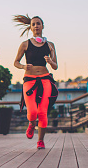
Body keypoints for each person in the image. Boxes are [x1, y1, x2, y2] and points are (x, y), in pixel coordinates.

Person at [13, 14, 58, 149]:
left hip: (45, 80)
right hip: (29, 80)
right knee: (32, 111)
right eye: (33, 24)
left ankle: (40, 141)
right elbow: (15, 62)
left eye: (38, 24)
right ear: (30, 28)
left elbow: (55, 66)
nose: (36, 26)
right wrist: (23, 66)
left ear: (42, 26)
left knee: (42, 112)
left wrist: (50, 61)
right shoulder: (25, 44)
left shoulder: (50, 45)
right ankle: (32, 124)